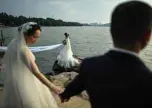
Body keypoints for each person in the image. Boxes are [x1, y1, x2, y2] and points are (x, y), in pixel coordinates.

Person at [59, 1, 152, 108]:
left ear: (112, 31)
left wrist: (64, 95)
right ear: (147, 36)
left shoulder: (89, 65)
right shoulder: (147, 79)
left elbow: (76, 85)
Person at [2, 22, 62, 108]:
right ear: (25, 34)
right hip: (26, 82)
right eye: (34, 37)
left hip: (15, 81)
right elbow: (36, 72)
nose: (35, 40)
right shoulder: (24, 50)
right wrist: (53, 87)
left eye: (37, 37)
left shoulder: (13, 44)